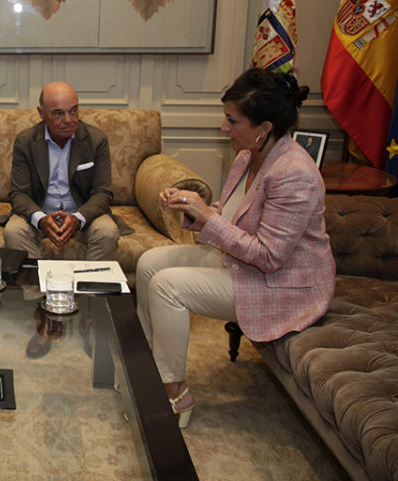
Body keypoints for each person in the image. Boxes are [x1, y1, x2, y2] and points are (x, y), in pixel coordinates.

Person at [136, 68, 335, 429]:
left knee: (168, 286)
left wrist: (207, 219)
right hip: (243, 264)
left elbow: (270, 257)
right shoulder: (247, 157)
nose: (224, 127)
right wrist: (189, 206)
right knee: (149, 262)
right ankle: (150, 370)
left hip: (283, 285)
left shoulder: (294, 174)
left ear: (263, 128)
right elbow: (229, 220)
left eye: (233, 120)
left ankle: (174, 392)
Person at [5, 81, 120, 259]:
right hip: (39, 210)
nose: (69, 120)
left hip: (84, 213)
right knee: (14, 231)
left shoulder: (96, 140)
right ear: (41, 113)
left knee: (107, 232)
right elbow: (19, 193)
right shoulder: (26, 141)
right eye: (58, 113)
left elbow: (103, 192)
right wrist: (41, 219)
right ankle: (35, 286)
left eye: (73, 110)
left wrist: (78, 219)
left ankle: (91, 285)